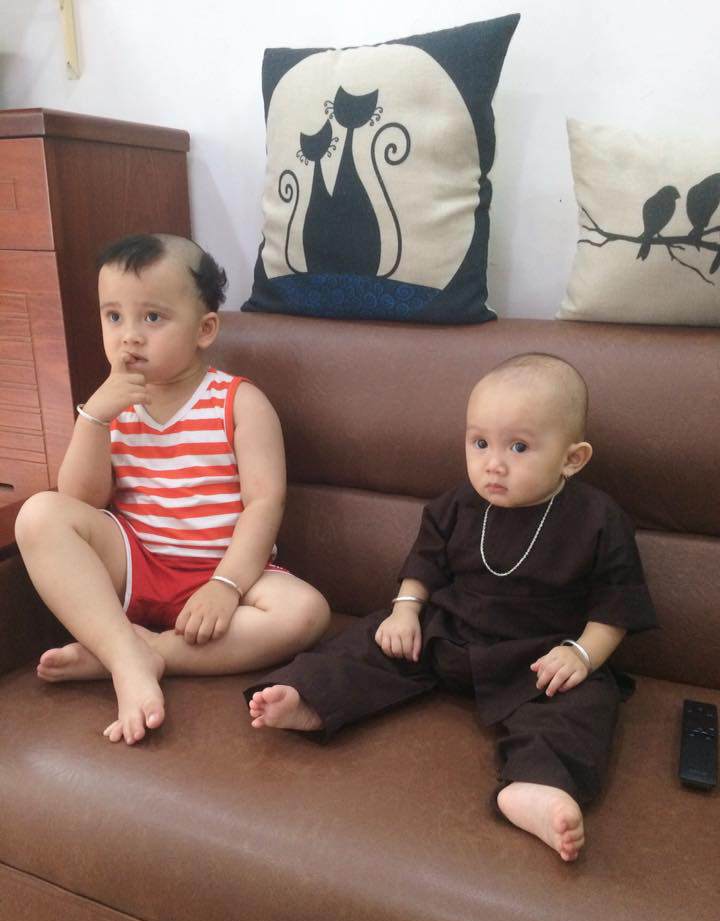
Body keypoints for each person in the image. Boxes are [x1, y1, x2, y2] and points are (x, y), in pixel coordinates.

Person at [246, 353, 657, 862]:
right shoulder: (457, 505)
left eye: (519, 447)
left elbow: (615, 608)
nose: (493, 463)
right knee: (372, 638)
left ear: (572, 459)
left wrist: (581, 654)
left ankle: (535, 786)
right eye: (479, 443)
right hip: (449, 633)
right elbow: (423, 565)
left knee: (586, 701)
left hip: (539, 658)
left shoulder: (598, 520)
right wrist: (404, 611)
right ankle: (311, 696)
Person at [15, 233, 330, 746]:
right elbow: (81, 502)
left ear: (204, 329)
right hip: (136, 562)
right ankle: (124, 655)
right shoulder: (110, 407)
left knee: (306, 612)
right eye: (113, 316)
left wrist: (226, 585)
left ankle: (149, 652)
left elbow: (264, 504)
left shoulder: (238, 402)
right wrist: (94, 418)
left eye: (152, 317)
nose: (129, 337)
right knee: (39, 514)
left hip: (225, 570)